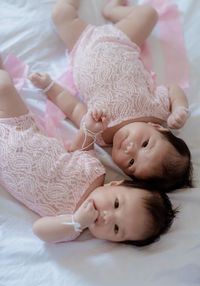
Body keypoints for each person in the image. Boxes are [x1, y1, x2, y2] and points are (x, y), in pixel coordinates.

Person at [0, 57, 176, 246]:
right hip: (20, 128)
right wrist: (90, 130)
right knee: (3, 85)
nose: (108, 217)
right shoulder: (94, 171)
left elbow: (39, 229)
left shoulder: (71, 225)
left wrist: (76, 222)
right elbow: (81, 148)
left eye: (116, 229)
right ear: (115, 184)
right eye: (116, 204)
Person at [32, 0, 193, 192]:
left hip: (82, 46)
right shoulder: (157, 110)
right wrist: (179, 108)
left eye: (131, 162)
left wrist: (49, 86)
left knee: (60, 13)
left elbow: (74, 107)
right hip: (122, 40)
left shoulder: (99, 133)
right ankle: (114, 10)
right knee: (149, 13)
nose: (129, 149)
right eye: (145, 144)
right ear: (158, 128)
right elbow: (173, 89)